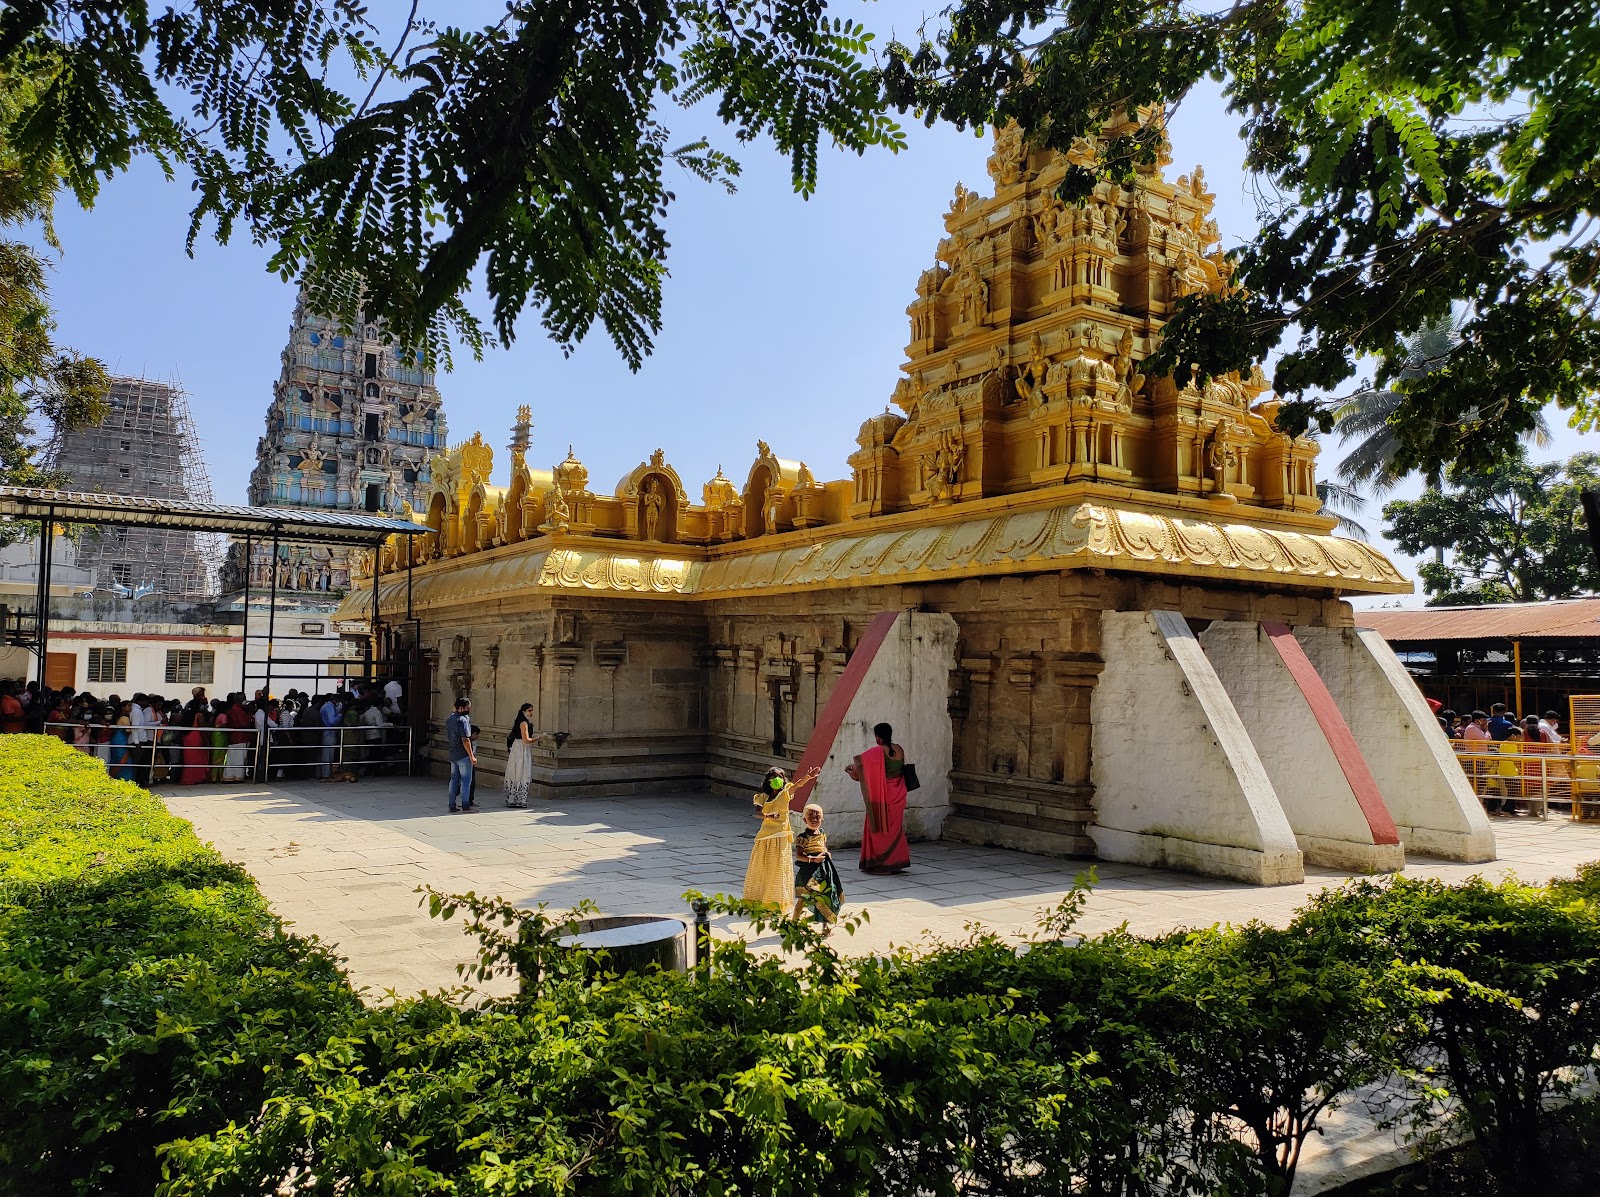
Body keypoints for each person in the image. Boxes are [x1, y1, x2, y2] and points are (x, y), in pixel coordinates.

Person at [743, 765, 819, 909]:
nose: (776, 779)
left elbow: (798, 785)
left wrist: (808, 776)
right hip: (764, 837)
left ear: (783, 780)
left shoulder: (785, 793)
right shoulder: (763, 797)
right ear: (768, 781)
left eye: (779, 776)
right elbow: (757, 813)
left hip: (780, 837)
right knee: (760, 868)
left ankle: (774, 903)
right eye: (773, 777)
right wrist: (768, 815)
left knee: (777, 870)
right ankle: (758, 899)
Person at [846, 722, 911, 874]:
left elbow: (861, 765)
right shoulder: (899, 749)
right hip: (899, 793)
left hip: (883, 795)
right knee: (895, 829)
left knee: (878, 826)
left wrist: (850, 770)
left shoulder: (877, 751)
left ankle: (881, 864)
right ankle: (896, 862)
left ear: (878, 736)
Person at [792, 802, 844, 933]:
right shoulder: (803, 837)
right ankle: (793, 925)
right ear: (804, 819)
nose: (815, 820)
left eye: (817, 817)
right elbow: (799, 855)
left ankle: (825, 928)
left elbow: (823, 846)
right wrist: (813, 859)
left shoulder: (821, 833)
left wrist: (826, 852)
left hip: (823, 871)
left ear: (822, 818)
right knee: (804, 899)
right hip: (810, 873)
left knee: (825, 897)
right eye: (811, 817)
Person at [445, 697, 477, 813]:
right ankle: (465, 804)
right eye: (467, 707)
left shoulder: (450, 719)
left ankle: (451, 804)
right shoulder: (463, 720)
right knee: (465, 780)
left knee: (454, 779)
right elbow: (465, 739)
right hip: (463, 754)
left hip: (453, 752)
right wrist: (471, 755)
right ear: (462, 707)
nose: (469, 709)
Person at [504, 702, 536, 807]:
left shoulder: (523, 722)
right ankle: (519, 799)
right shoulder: (524, 723)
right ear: (524, 711)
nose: (531, 712)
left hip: (518, 747)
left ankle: (514, 798)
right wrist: (539, 738)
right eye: (529, 710)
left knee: (518, 771)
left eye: (532, 710)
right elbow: (526, 739)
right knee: (521, 771)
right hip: (521, 748)